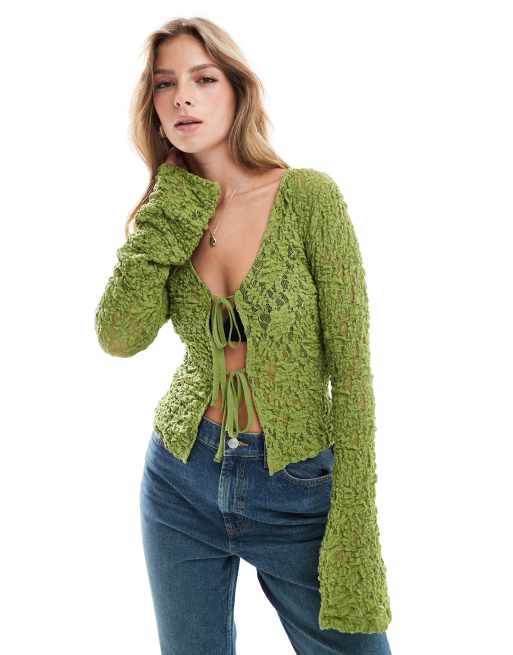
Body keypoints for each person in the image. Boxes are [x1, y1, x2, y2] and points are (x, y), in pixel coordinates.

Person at [95, 16, 393, 655]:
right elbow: (119, 336)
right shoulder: (170, 215)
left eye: (203, 79)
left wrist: (354, 524)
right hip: (182, 477)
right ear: (153, 105)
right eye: (165, 84)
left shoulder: (308, 198)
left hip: (296, 486)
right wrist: (170, 209)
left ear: (236, 90)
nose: (183, 97)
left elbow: (353, 373)